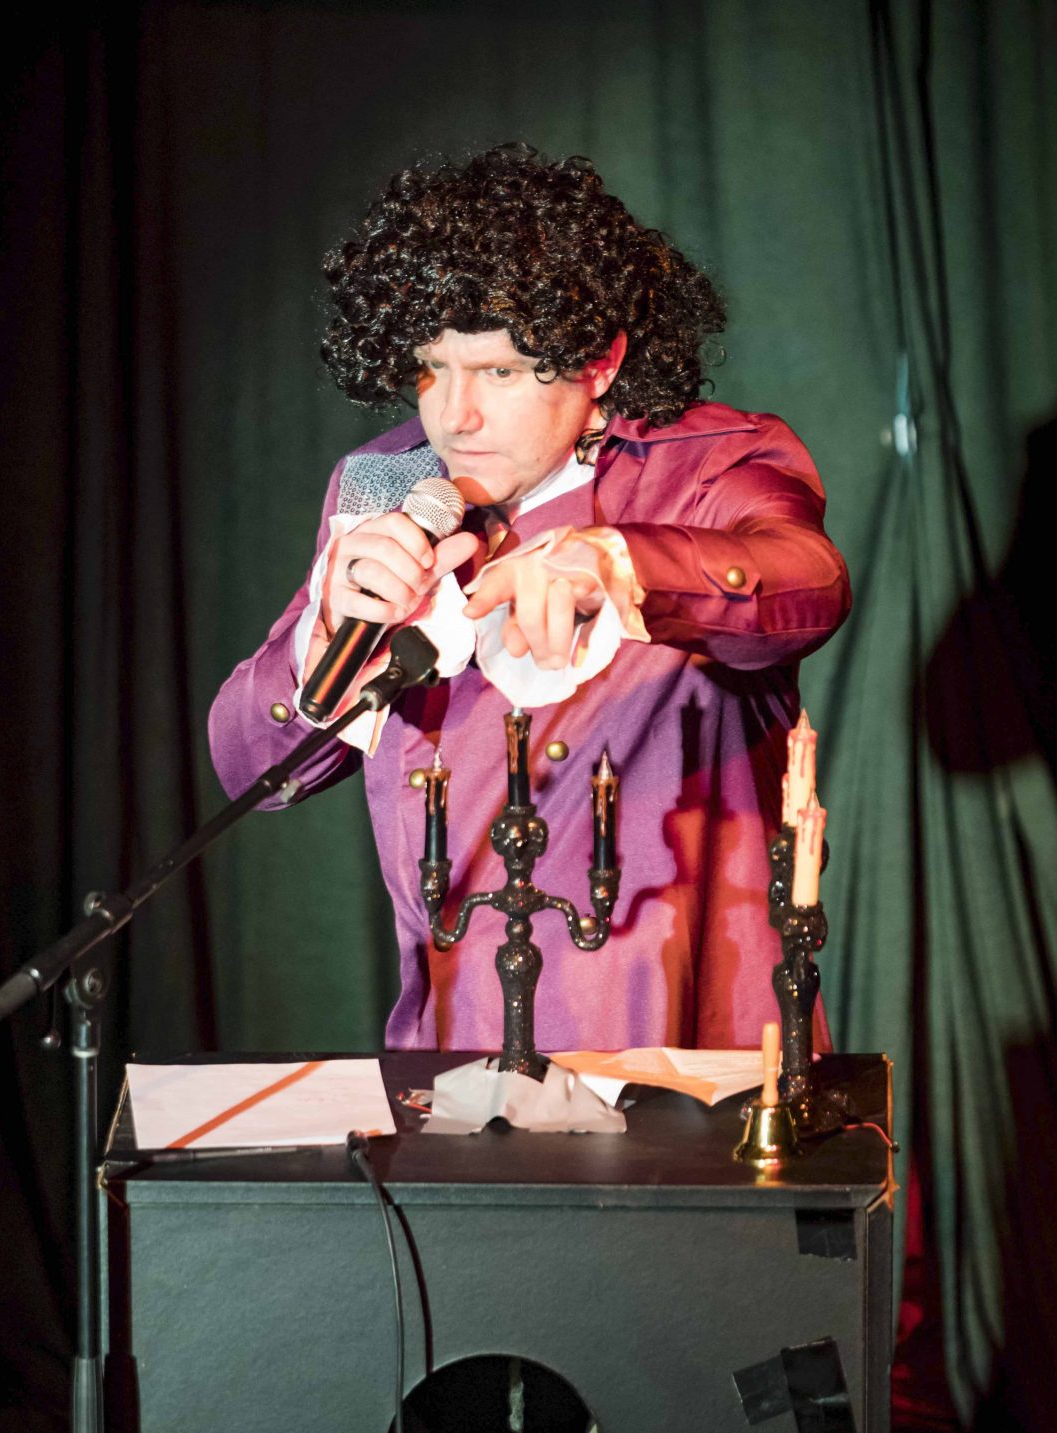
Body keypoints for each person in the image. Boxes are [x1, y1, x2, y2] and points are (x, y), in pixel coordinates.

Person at [209, 144, 850, 1053]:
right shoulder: (382, 485)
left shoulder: (705, 466)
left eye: (500, 373)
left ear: (599, 362)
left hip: (687, 1063)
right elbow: (249, 769)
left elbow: (807, 582)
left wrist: (624, 563)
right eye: (431, 367)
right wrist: (322, 642)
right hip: (459, 1057)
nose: (452, 415)